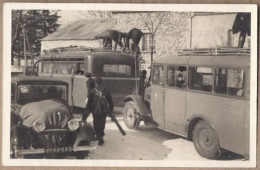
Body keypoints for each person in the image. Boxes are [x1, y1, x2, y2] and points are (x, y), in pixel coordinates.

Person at [85, 77, 114, 145]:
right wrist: (110, 109)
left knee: (96, 122)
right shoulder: (106, 90)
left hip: (95, 110)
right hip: (104, 110)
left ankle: (97, 136)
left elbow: (89, 103)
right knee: (102, 123)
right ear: (101, 82)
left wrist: (88, 110)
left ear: (95, 83)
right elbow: (110, 101)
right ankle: (100, 137)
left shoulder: (92, 91)